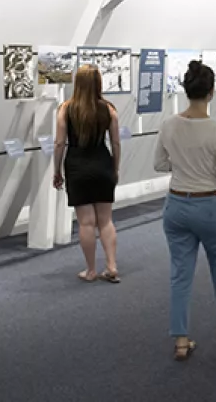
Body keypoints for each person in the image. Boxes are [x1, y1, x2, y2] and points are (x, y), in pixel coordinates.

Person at [153, 60, 216, 361]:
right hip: (210, 205)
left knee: (180, 274)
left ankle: (180, 339)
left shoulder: (169, 125)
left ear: (186, 90)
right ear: (211, 92)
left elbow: (159, 164)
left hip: (176, 205)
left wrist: (182, 163)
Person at [53, 64, 121, 283]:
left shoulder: (66, 108)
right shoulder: (109, 109)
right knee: (105, 220)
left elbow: (59, 143)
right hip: (102, 164)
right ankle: (111, 265)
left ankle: (91, 270)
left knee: (86, 223)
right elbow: (116, 143)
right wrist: (115, 168)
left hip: (77, 166)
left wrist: (57, 170)